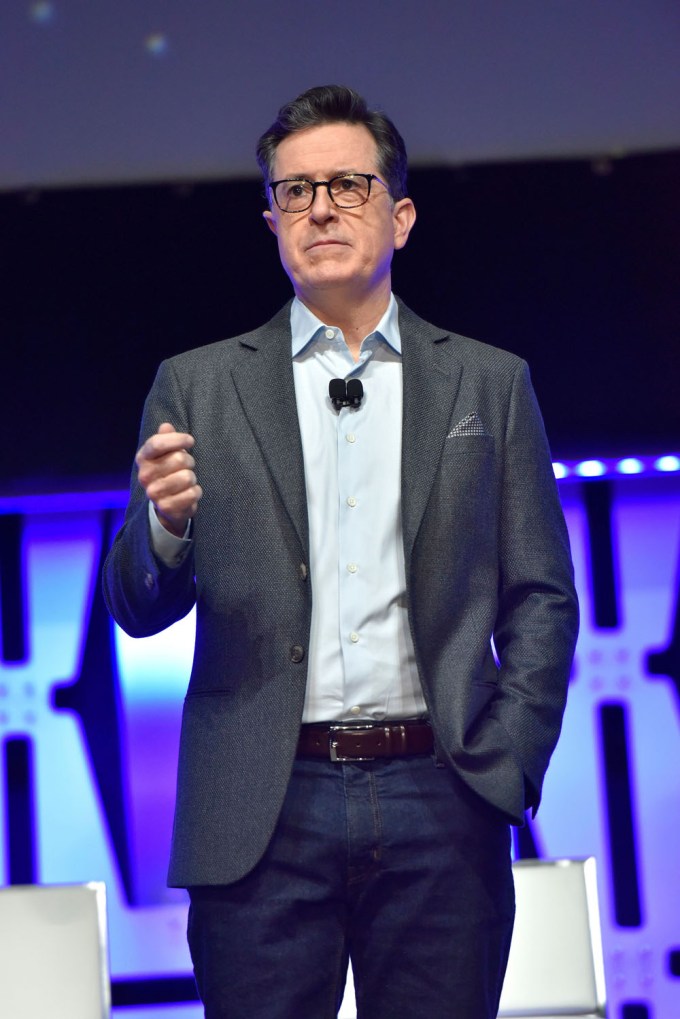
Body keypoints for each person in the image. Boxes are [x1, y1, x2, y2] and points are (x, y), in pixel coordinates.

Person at [103, 84, 578, 1019]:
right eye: (295, 191)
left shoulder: (488, 380)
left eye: (349, 186)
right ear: (272, 219)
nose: (320, 208)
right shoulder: (196, 387)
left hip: (443, 793)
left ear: (399, 217)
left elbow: (541, 595)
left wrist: (508, 761)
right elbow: (135, 602)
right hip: (262, 809)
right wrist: (164, 526)